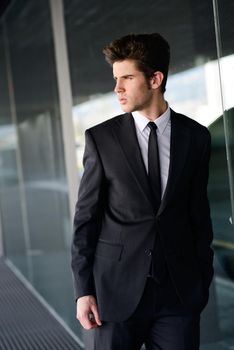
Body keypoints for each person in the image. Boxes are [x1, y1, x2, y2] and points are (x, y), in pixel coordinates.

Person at [71, 33, 214, 350]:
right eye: (115, 79)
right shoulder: (101, 139)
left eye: (127, 78)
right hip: (116, 294)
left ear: (155, 79)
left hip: (178, 298)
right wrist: (84, 290)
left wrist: (200, 284)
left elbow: (198, 216)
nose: (117, 89)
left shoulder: (196, 137)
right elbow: (86, 220)